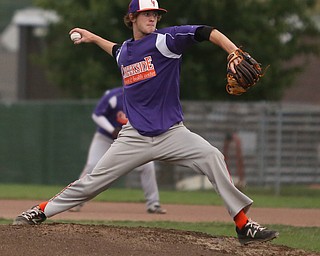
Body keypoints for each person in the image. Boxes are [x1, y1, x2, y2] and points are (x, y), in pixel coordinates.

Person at [13, 0, 279, 245]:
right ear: (132, 18)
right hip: (134, 137)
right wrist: (93, 38)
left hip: (173, 134)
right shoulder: (126, 53)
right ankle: (40, 211)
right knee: (92, 181)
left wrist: (232, 51)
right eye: (146, 14)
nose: (152, 18)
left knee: (212, 157)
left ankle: (243, 224)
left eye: (155, 14)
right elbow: (115, 50)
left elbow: (206, 31)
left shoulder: (167, 41)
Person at [69, 87, 166, 214]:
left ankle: (153, 204)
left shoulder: (145, 99)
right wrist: (112, 130)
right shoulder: (115, 96)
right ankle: (76, 201)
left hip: (130, 140)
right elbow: (97, 115)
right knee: (92, 165)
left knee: (147, 167)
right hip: (105, 138)